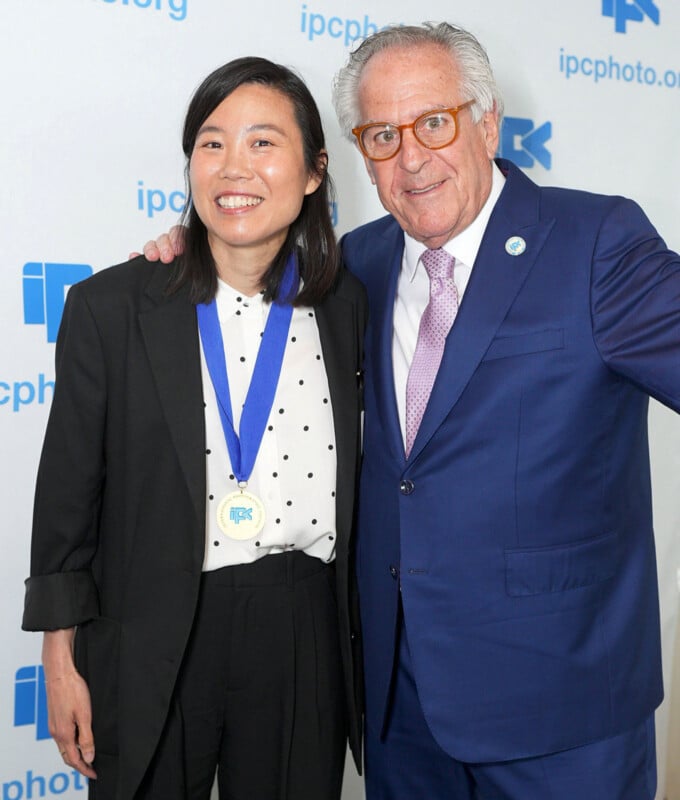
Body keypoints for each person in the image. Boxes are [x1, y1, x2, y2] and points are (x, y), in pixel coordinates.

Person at [141, 21, 680, 800]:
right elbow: (239, 275)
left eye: (435, 122)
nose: (412, 158)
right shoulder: (355, 263)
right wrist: (179, 255)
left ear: (488, 122)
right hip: (401, 713)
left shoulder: (596, 241)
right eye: (382, 135)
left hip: (561, 717)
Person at [22, 56, 366, 800]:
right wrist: (60, 656)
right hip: (153, 625)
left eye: (263, 143)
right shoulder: (111, 309)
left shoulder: (348, 309)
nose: (233, 167)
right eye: (212, 144)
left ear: (313, 171)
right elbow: (66, 503)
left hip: (301, 625)